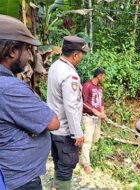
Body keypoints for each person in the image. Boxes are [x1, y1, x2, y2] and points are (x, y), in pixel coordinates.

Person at [0, 15, 60, 190]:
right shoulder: (9, 88)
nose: (29, 56)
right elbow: (52, 122)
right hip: (19, 180)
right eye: (27, 49)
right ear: (12, 51)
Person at [47, 36, 89, 189]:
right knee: (66, 166)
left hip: (54, 128)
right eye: (82, 53)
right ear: (75, 54)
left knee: (59, 162)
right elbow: (70, 106)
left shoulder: (55, 66)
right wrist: (77, 133)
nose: (82, 57)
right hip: (65, 131)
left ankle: (56, 186)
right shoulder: (69, 75)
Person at [81, 68, 106, 174]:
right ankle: (86, 165)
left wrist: (102, 113)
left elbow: (102, 103)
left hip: (97, 119)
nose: (104, 79)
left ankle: (81, 155)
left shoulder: (100, 88)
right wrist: (95, 112)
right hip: (88, 117)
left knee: (95, 139)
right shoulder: (87, 86)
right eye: (103, 77)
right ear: (99, 76)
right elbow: (83, 102)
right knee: (87, 141)